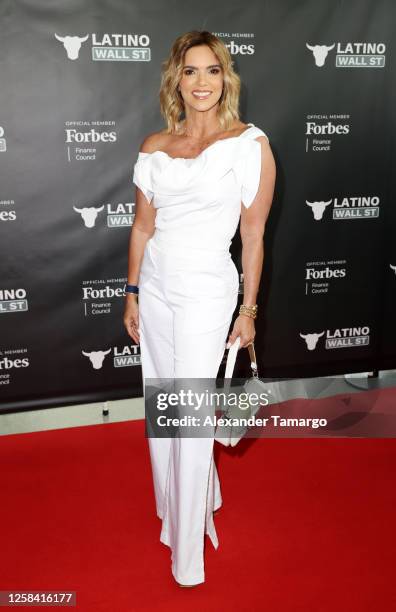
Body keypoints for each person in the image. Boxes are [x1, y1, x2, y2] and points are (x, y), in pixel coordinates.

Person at [123, 30, 276, 587]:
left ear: (225, 79)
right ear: (176, 80)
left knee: (188, 413)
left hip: (208, 288)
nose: (202, 82)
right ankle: (179, 508)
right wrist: (133, 291)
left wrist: (249, 311)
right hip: (157, 286)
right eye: (191, 71)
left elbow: (253, 238)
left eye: (213, 70)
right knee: (164, 405)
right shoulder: (153, 146)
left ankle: (186, 557)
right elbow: (143, 226)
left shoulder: (249, 145)